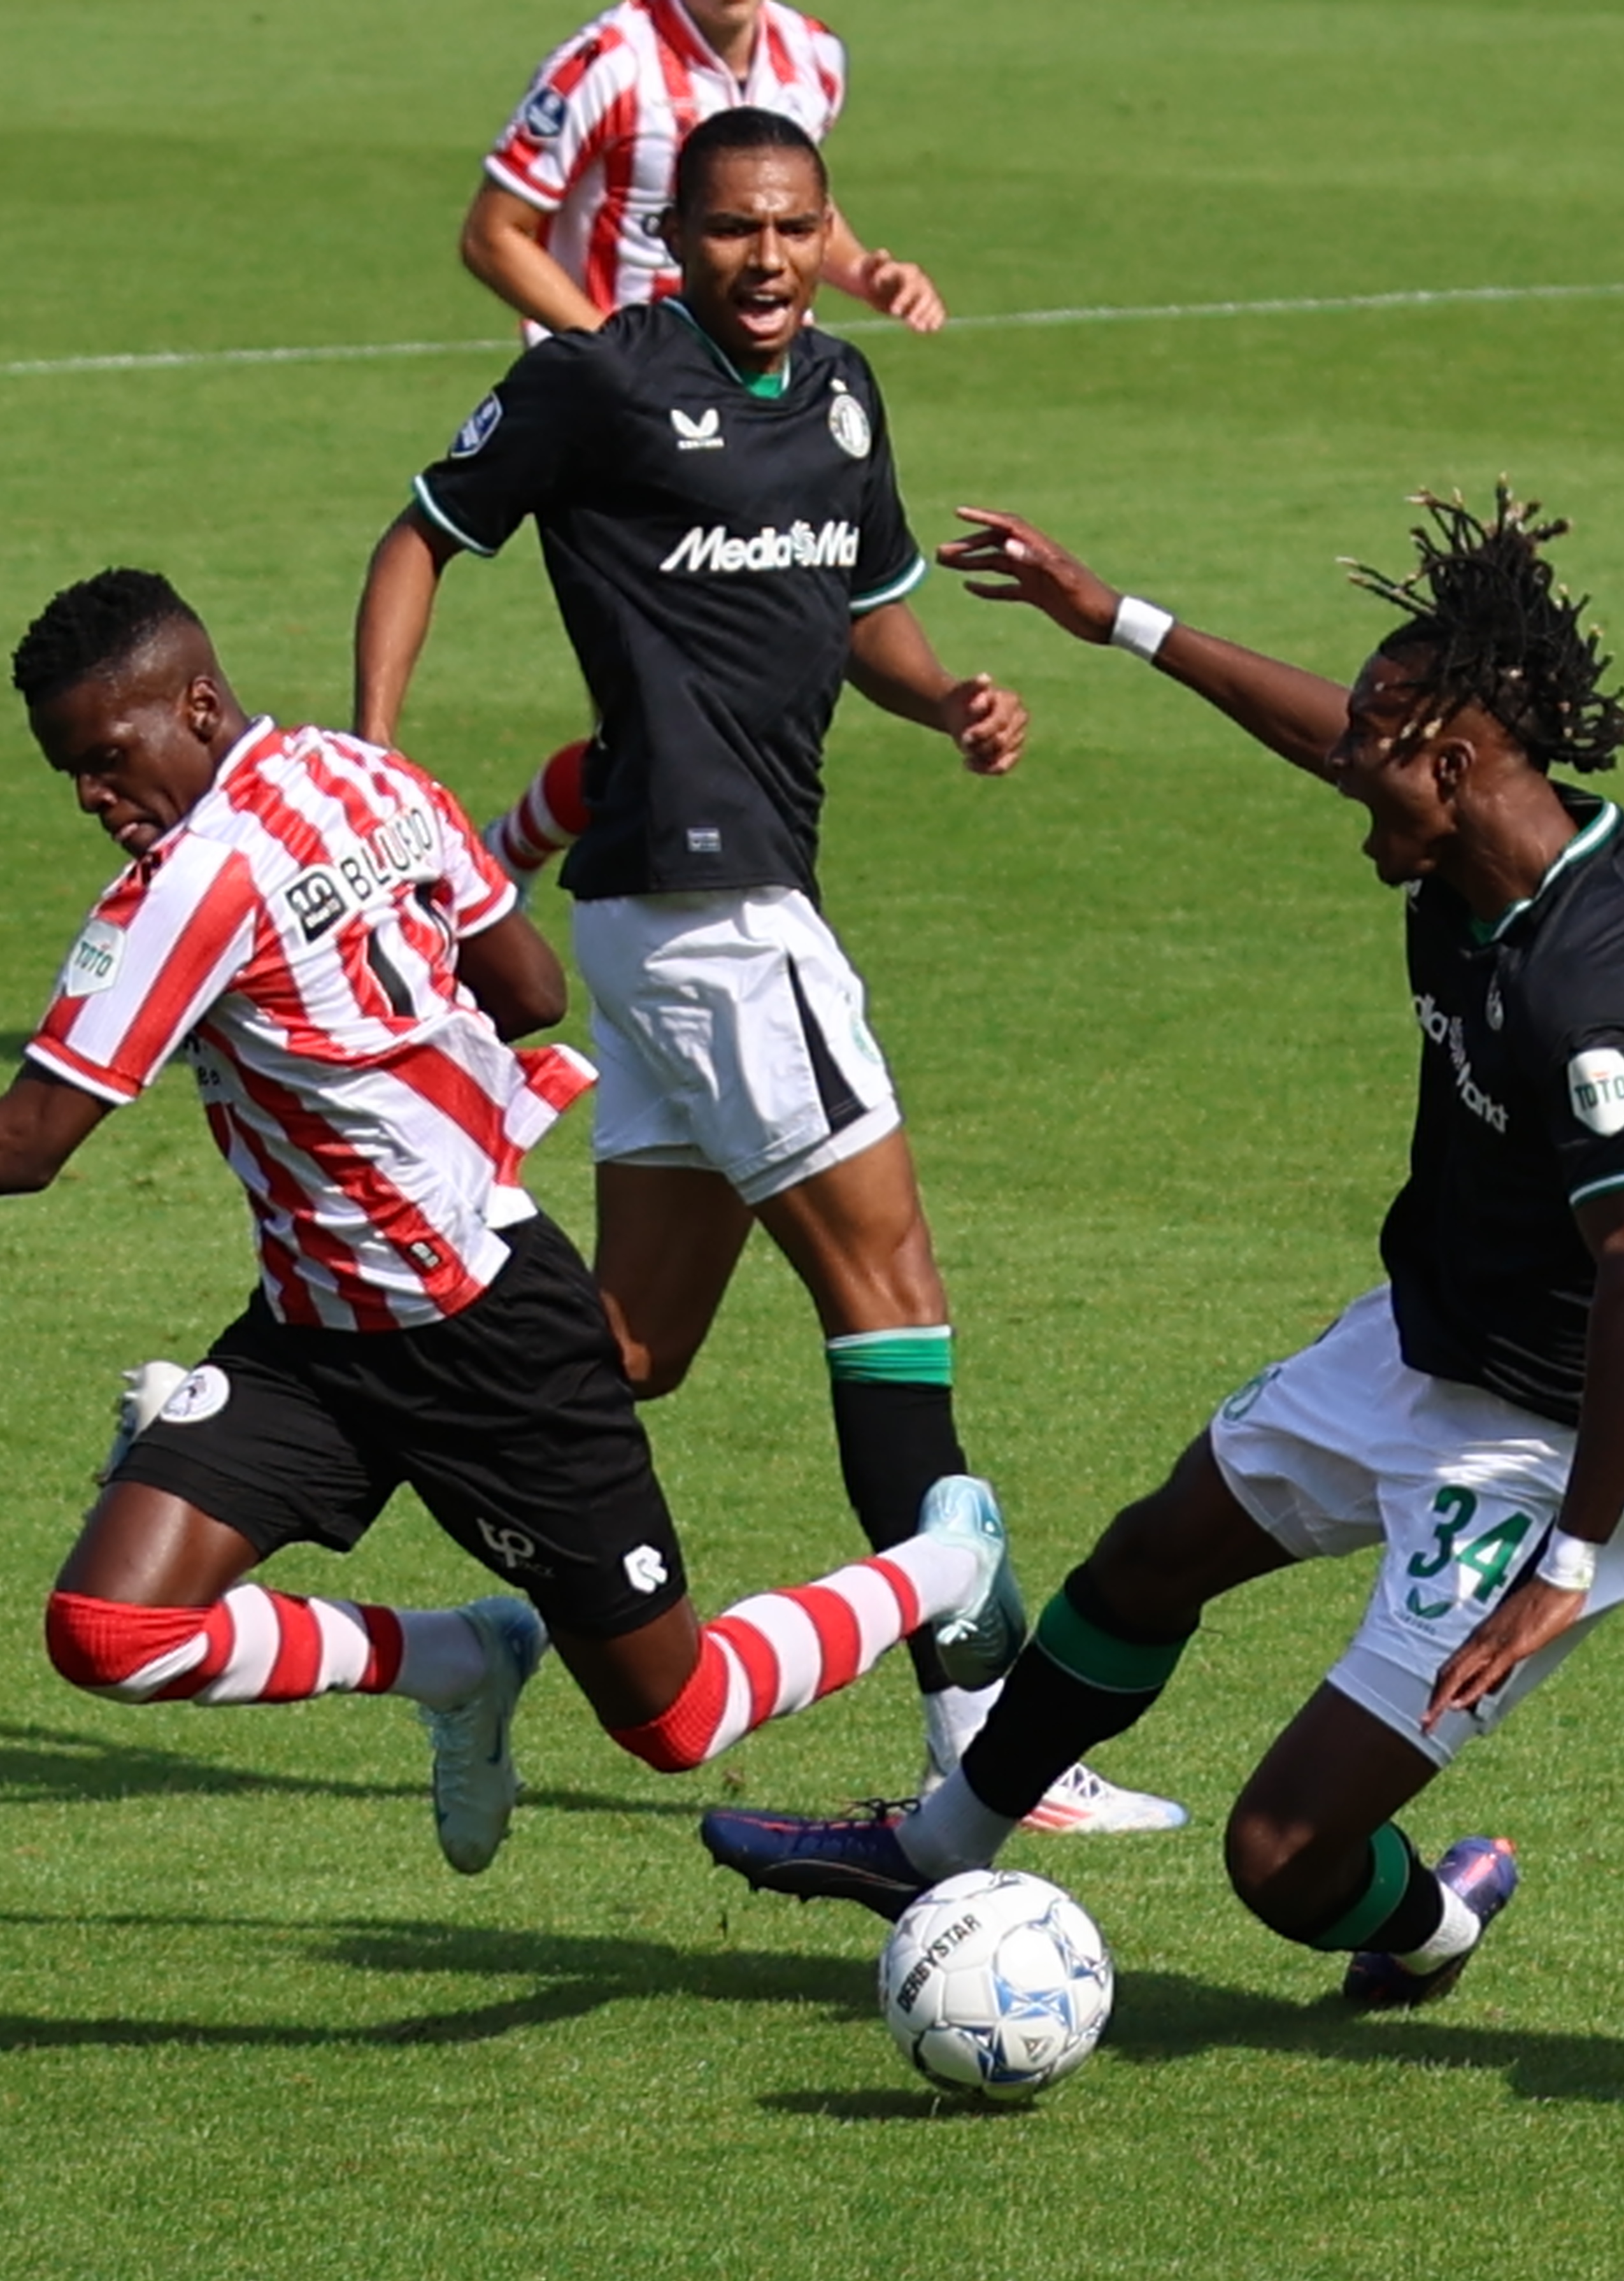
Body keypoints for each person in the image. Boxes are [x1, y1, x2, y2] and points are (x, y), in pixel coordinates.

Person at [0, 569, 1022, 1878]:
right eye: (71, 773)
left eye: (110, 755)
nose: (97, 796)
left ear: (197, 705)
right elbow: (524, 987)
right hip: (318, 1330)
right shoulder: (371, 771)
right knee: (110, 1631)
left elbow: (31, 1142)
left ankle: (944, 1557)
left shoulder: (186, 890)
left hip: (487, 1334)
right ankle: (459, 1660)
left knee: (680, 1714)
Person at [701, 489, 1624, 2010]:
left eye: (1373, 750)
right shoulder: (1493, 830)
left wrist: (1569, 1562)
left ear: (1452, 763)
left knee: (1279, 1856)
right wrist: (1118, 616)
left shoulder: (1579, 984)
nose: (1344, 766)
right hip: (1428, 1333)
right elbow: (1341, 725)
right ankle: (938, 1844)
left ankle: (1435, 1922)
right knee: (1148, 1557)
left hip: (1551, 1445)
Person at [357, 108, 1181, 1836]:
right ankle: (988, 1743)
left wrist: (946, 694)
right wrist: (377, 770)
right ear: (678, 237)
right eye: (736, 229)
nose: (771, 259)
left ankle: (314, 1414)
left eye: (797, 226)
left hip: (688, 927)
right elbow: (423, 532)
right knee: (891, 1299)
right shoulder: (598, 382)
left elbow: (862, 604)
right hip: (713, 919)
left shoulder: (847, 398)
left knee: (630, 1346)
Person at [457, 1, 943, 882]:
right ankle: (500, 873)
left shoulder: (814, 56)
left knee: (668, 728)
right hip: (615, 438)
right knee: (661, 723)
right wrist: (620, 364)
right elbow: (494, 233)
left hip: (755, 422)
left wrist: (864, 269)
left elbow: (783, 201)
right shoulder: (606, 63)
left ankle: (496, 864)